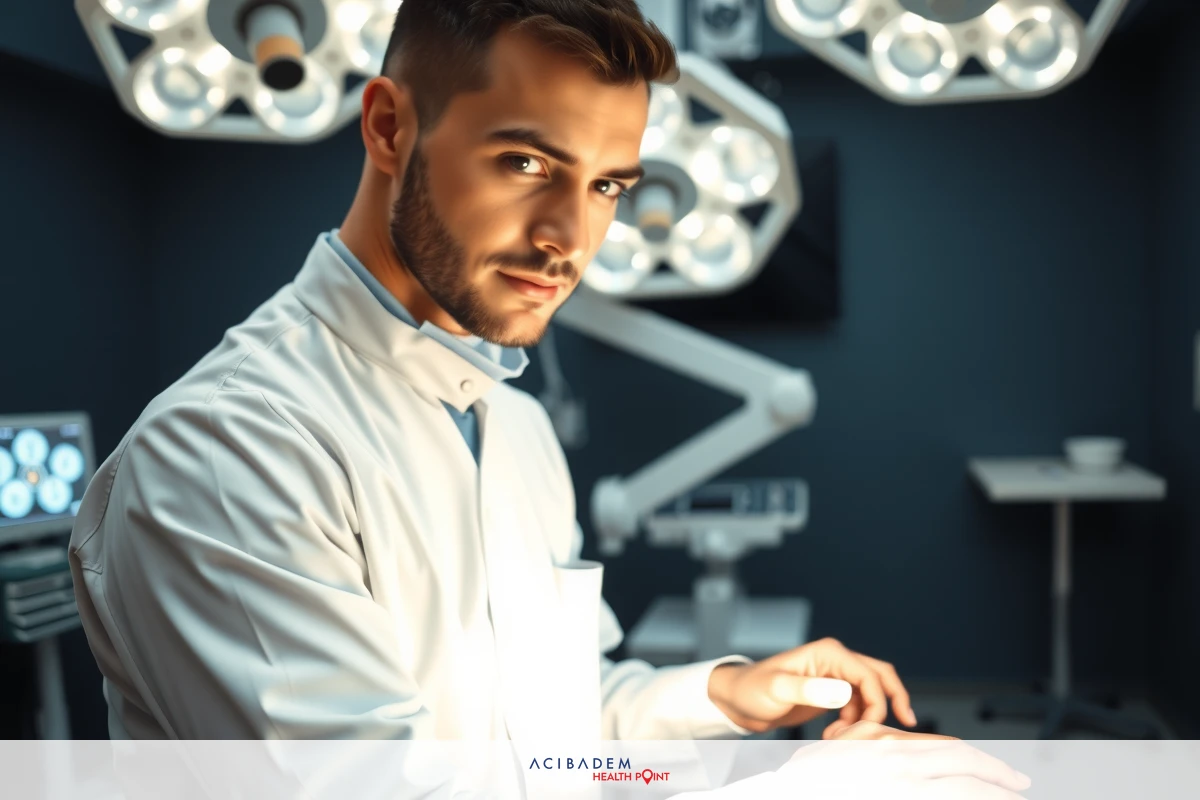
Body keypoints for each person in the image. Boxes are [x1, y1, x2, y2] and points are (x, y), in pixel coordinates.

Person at [70, 0, 922, 743]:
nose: (570, 239)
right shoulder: (229, 451)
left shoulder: (514, 424)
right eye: (527, 164)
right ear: (389, 127)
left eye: (607, 186)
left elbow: (554, 732)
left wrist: (722, 694)